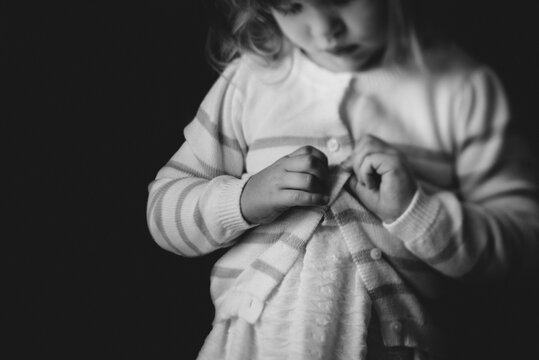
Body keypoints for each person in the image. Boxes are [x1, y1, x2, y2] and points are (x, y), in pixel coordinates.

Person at [146, 0, 539, 359]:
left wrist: (417, 213)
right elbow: (163, 209)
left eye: (341, 0)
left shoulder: (460, 87)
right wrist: (244, 199)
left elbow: (524, 244)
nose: (324, 31)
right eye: (292, 6)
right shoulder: (249, 80)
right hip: (253, 342)